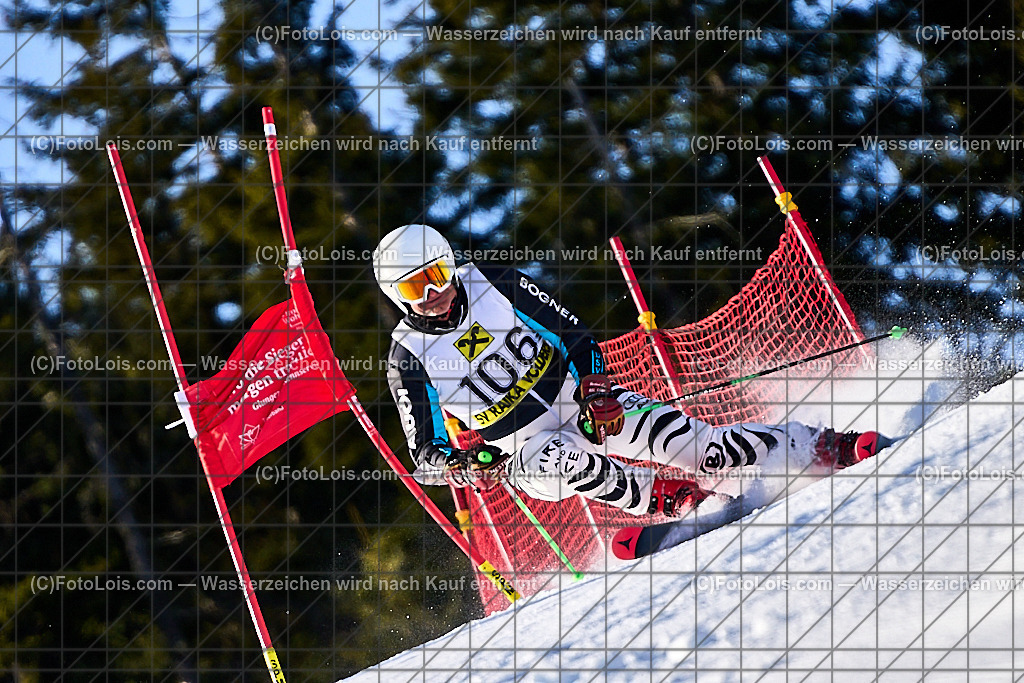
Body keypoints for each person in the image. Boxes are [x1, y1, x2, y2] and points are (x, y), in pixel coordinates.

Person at [374, 224, 886, 517]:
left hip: (575, 399)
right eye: (416, 289)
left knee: (691, 442)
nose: (435, 295)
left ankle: (813, 445)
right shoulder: (408, 356)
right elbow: (424, 454)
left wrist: (599, 391)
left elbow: (574, 334)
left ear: (450, 264)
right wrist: (464, 466)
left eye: (437, 275)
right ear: (398, 297)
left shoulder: (493, 281)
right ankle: (662, 500)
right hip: (522, 451)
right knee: (566, 461)